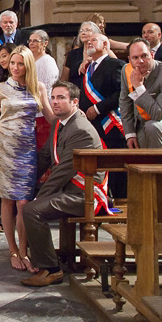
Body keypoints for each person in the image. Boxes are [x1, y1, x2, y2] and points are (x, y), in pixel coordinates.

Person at [21, 81, 104, 287]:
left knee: (32, 210)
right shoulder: (61, 123)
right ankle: (44, 258)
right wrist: (25, 184)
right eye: (53, 97)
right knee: (26, 203)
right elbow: (44, 157)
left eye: (61, 98)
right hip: (70, 188)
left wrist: (38, 197)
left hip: (85, 194)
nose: (55, 102)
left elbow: (62, 172)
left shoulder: (80, 130)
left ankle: (51, 269)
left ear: (74, 102)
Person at [0, 46, 54, 273]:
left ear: (28, 66)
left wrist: (71, 114)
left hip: (27, 149)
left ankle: (24, 250)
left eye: (20, 64)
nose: (15, 67)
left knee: (24, 202)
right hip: (2, 147)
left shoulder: (38, 87)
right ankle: (13, 250)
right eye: (12, 63)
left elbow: (51, 116)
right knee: (8, 200)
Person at [120, 38, 162, 149]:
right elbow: (124, 103)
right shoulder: (126, 70)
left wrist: (139, 87)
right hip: (141, 122)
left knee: (152, 127)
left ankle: (159, 165)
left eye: (144, 56)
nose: (140, 61)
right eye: (135, 58)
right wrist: (130, 134)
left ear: (152, 54)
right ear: (129, 60)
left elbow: (158, 114)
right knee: (134, 143)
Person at [78, 34, 127, 150]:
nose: (89, 43)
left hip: (109, 124)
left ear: (105, 44)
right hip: (90, 124)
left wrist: (97, 108)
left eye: (94, 40)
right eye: (88, 41)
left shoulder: (116, 65)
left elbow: (121, 93)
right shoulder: (88, 67)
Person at [27, 29, 59, 149]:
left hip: (43, 112)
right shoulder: (31, 60)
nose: (31, 43)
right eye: (30, 41)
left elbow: (46, 87)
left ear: (45, 43)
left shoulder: (47, 61)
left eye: (35, 41)